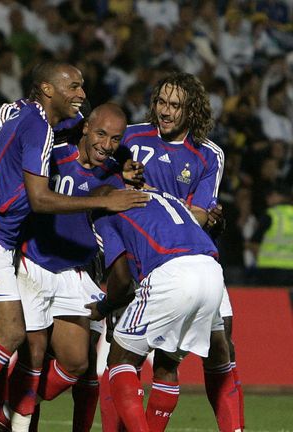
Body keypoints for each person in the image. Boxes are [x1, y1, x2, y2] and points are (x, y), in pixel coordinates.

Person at [0, 62, 149, 432]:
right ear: (48, 90)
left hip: (12, 245)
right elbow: (38, 197)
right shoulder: (35, 125)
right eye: (75, 87)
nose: (82, 95)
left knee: (70, 359)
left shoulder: (43, 124)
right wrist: (104, 201)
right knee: (4, 338)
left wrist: (122, 164)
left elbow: (0, 156)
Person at [102, 71, 241, 431]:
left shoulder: (209, 155)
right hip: (134, 256)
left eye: (175, 105)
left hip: (185, 254)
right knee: (123, 353)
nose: (165, 111)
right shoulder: (131, 137)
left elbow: (199, 215)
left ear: (191, 110)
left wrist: (157, 199)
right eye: (161, 102)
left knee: (216, 346)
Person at [87, 187, 225, 431]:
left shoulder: (106, 209)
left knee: (120, 358)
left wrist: (104, 307)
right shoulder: (165, 195)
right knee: (167, 364)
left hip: (172, 273)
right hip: (212, 272)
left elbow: (120, 277)